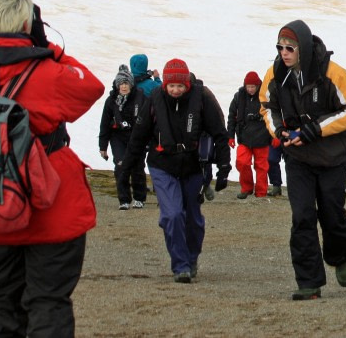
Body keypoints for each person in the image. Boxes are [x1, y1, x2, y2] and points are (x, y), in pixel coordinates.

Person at [0, 0, 105, 336]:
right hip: (52, 205)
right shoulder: (47, 72)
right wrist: (46, 46)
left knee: (0, 307)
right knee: (48, 302)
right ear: (27, 21)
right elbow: (90, 87)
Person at [259, 20, 346, 301]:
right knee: (302, 217)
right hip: (298, 159)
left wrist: (316, 129)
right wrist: (278, 130)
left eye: (289, 47)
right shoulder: (274, 74)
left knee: (332, 215)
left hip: (332, 159)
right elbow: (267, 106)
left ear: (302, 48)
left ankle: (340, 257)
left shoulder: (333, 73)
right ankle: (309, 283)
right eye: (280, 47)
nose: (284, 52)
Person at [124, 58, 231, 283]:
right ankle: (180, 265)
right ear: (165, 84)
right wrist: (126, 168)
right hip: (162, 165)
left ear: (187, 84)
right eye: (171, 86)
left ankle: (192, 259)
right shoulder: (154, 99)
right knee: (172, 215)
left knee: (193, 219)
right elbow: (138, 135)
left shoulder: (202, 98)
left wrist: (223, 167)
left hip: (193, 166)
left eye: (180, 86)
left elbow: (220, 133)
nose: (175, 90)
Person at [97, 65, 148, 210]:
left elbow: (149, 121)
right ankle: (124, 200)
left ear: (131, 84)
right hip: (118, 137)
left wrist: (149, 142)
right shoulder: (110, 101)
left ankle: (139, 198)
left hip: (137, 137)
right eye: (121, 84)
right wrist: (103, 146)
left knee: (137, 167)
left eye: (126, 83)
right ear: (117, 85)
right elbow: (104, 124)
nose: (124, 86)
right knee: (120, 166)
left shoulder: (140, 97)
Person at [227, 71, 272, 200]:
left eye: (253, 87)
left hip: (262, 137)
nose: (251, 89)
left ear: (258, 86)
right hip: (244, 137)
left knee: (261, 167)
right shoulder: (238, 97)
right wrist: (230, 136)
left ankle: (261, 193)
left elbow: (274, 116)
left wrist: (275, 137)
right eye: (249, 87)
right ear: (245, 86)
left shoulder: (266, 96)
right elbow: (231, 117)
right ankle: (246, 188)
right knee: (242, 162)